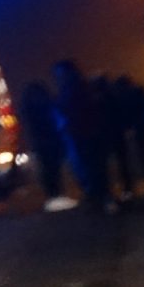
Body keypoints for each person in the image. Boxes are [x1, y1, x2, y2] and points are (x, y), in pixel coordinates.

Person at [52, 60, 114, 213]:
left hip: (87, 134)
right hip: (78, 135)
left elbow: (90, 111)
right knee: (86, 167)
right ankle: (97, 196)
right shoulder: (69, 91)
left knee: (94, 167)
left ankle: (103, 197)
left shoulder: (79, 90)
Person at [18, 79, 73, 210]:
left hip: (40, 142)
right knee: (53, 170)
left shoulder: (27, 106)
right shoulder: (45, 105)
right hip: (50, 140)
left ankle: (53, 196)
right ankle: (57, 196)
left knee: (47, 170)